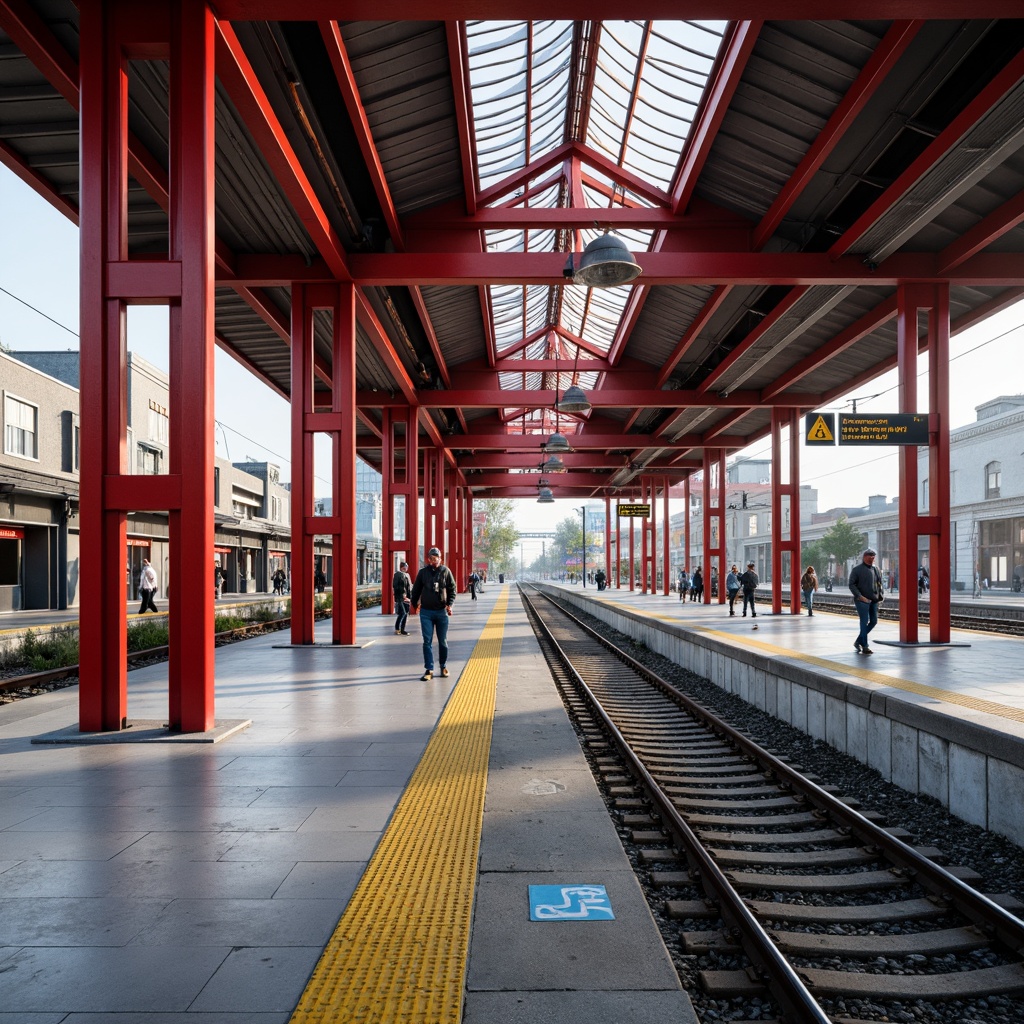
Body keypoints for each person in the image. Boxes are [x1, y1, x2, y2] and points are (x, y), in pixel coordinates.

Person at [410, 547, 457, 681]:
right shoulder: (423, 573)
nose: (434, 560)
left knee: (443, 641)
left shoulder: (445, 571)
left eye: (436, 557)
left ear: (440, 558)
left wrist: (450, 604)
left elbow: (452, 589)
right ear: (428, 559)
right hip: (426, 612)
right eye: (431, 558)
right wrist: (415, 605)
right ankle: (429, 669)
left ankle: (443, 666)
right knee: (427, 641)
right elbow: (416, 590)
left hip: (442, 612)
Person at [850, 547, 885, 654]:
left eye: (873, 556)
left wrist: (881, 596)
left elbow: (879, 584)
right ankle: (865, 646)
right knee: (864, 622)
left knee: (874, 621)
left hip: (874, 600)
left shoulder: (876, 569)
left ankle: (858, 641)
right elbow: (851, 584)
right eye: (869, 556)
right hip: (862, 600)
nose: (871, 558)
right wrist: (860, 596)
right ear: (864, 557)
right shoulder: (856, 570)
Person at [393, 560, 412, 635]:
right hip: (400, 598)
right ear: (401, 568)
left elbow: (408, 587)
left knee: (405, 613)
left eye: (406, 567)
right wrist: (402, 594)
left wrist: (409, 597)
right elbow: (396, 586)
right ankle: (397, 628)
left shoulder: (406, 575)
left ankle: (402, 629)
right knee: (403, 613)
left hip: (406, 597)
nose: (406, 568)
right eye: (404, 567)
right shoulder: (398, 575)